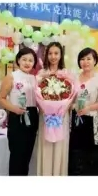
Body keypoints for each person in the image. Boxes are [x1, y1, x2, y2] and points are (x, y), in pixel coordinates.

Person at [68, 47, 98, 175]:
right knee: (74, 156)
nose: (85, 62)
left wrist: (88, 108)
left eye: (89, 58)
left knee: (91, 158)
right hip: (75, 121)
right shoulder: (74, 78)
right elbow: (69, 98)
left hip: (93, 123)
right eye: (82, 59)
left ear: (95, 61)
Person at [0, 47, 39, 176]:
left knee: (27, 156)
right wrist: (14, 109)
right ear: (18, 60)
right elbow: (1, 98)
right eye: (24, 59)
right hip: (17, 118)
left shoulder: (35, 78)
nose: (27, 63)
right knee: (17, 156)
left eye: (30, 60)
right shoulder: (11, 77)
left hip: (33, 116)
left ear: (34, 63)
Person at [33, 42, 72, 176]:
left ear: (61, 55)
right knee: (46, 144)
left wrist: (63, 109)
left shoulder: (66, 74)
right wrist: (45, 109)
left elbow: (72, 95)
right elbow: (36, 96)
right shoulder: (41, 73)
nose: (53, 56)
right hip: (46, 116)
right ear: (46, 55)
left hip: (61, 116)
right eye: (50, 53)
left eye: (56, 53)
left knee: (60, 144)